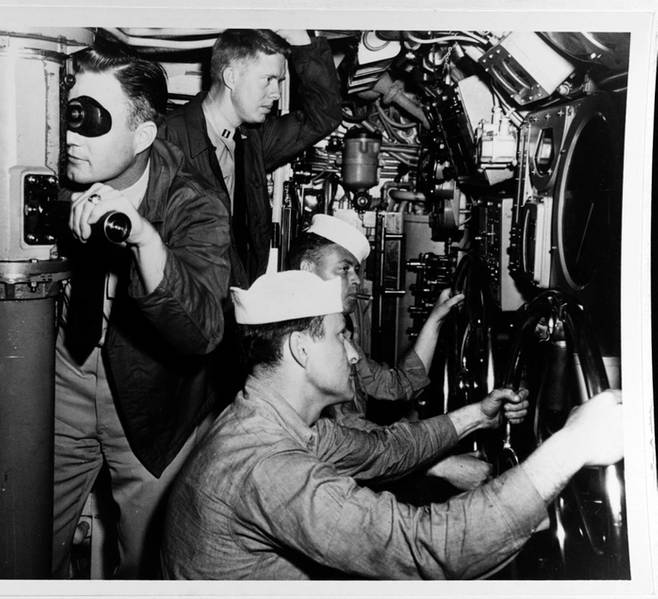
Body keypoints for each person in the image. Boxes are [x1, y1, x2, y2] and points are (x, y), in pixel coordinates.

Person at [159, 270, 623, 580]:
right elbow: (428, 547)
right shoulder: (267, 468)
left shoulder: (267, 419)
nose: (353, 351)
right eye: (342, 334)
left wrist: (474, 416)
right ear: (301, 349)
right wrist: (571, 445)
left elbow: (383, 449)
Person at [53, 43, 230, 578]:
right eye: (69, 113)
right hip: (62, 378)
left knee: (146, 566)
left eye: (92, 121)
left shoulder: (194, 202)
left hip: (158, 403)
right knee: (16, 537)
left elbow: (202, 332)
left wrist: (147, 240)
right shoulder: (48, 166)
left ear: (143, 135)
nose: (69, 135)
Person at [287, 212, 492, 491]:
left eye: (357, 271)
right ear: (307, 269)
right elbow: (341, 440)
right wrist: (439, 465)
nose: (356, 280)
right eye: (344, 269)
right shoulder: (296, 344)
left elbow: (395, 386)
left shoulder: (340, 333)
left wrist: (435, 320)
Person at [159, 28, 341, 288]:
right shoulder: (166, 140)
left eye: (278, 81)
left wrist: (301, 40)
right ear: (231, 76)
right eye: (268, 79)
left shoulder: (252, 141)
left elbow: (323, 115)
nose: (276, 93)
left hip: (230, 308)